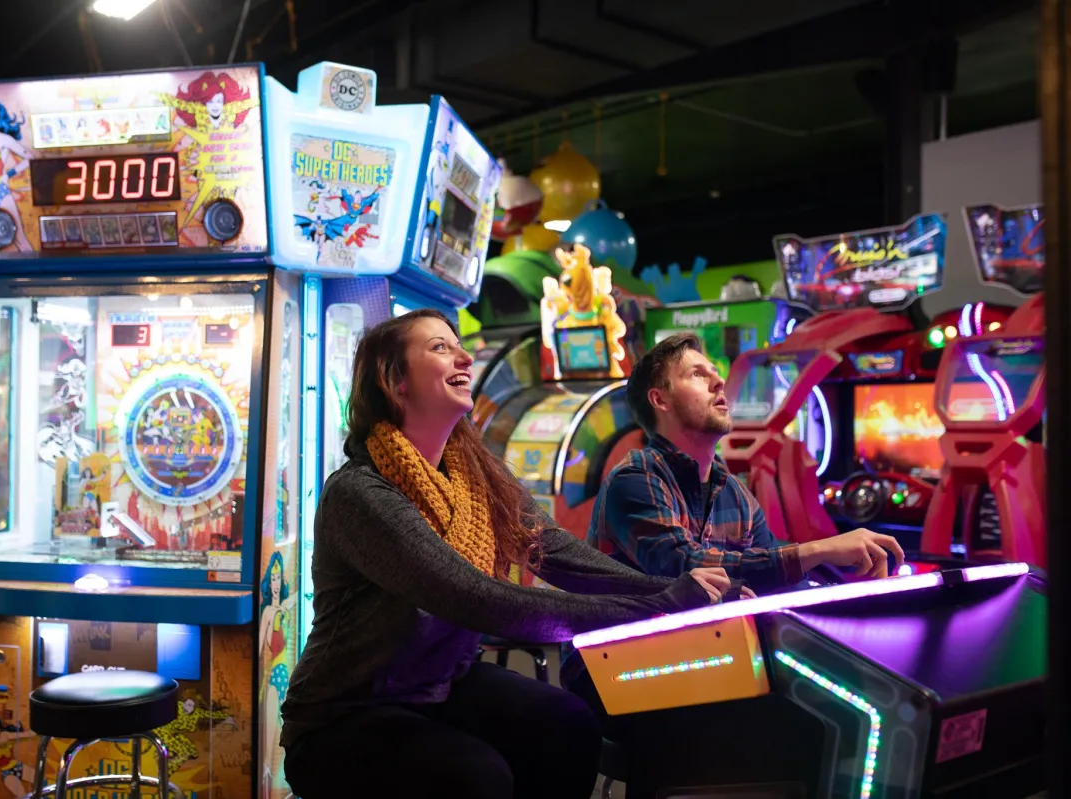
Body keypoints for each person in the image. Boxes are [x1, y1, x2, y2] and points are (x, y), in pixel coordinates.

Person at [280, 310, 736, 799]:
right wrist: (656, 607)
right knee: (477, 776)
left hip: (440, 685)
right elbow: (477, 599)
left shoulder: (477, 476)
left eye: (459, 346)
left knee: (568, 725)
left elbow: (556, 551)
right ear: (394, 381)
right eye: (439, 348)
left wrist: (675, 592)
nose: (462, 356)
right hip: (344, 712)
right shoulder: (361, 492)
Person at [588, 331, 906, 593]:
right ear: (660, 400)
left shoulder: (733, 492)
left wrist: (853, 593)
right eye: (697, 375)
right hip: (617, 665)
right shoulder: (635, 478)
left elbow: (776, 577)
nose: (719, 383)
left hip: (702, 655)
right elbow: (681, 566)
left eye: (716, 373)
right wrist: (821, 549)